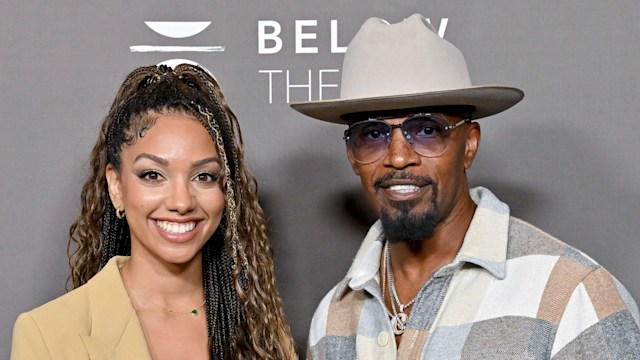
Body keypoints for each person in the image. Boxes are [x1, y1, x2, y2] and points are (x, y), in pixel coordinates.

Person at [291, 14, 640, 359]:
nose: (398, 158)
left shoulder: (569, 296)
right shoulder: (333, 319)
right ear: (352, 155)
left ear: (469, 144)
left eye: (427, 130)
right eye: (372, 135)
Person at [11, 64, 297, 359]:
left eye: (204, 176)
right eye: (153, 175)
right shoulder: (48, 334)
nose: (182, 202)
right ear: (116, 187)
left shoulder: (261, 335)